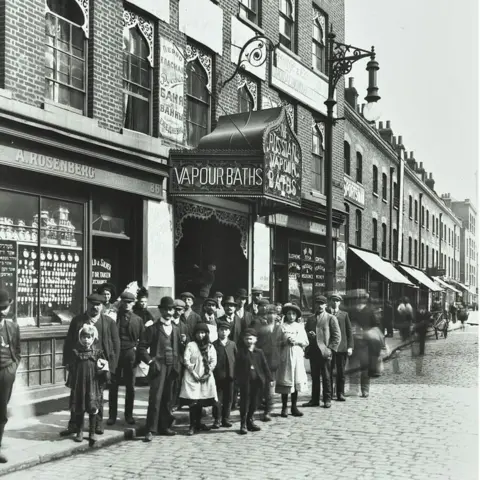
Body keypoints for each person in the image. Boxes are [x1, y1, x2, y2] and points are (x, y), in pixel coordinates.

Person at [61, 293, 120, 437]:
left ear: (102, 306)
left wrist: (111, 367)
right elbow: (69, 343)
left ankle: (97, 424)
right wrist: (68, 363)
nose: (95, 307)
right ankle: (74, 425)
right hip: (80, 364)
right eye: (92, 304)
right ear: (87, 305)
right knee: (77, 395)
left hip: (99, 366)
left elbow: (116, 345)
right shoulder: (77, 321)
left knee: (98, 395)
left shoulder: (108, 322)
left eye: (98, 305)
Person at [138, 296, 182, 441]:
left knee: (168, 398)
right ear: (161, 311)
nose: (169, 313)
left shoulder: (176, 329)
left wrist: (177, 364)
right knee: (155, 398)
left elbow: (179, 349)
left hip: (172, 367)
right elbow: (142, 348)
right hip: (158, 367)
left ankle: (165, 426)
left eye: (171, 310)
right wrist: (150, 362)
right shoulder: (153, 329)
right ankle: (151, 429)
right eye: (166, 310)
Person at [69, 324, 109, 447]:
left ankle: (92, 432)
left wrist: (102, 371)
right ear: (80, 338)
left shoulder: (97, 353)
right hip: (80, 384)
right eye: (84, 337)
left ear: (93, 339)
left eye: (89, 337)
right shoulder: (76, 353)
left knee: (92, 407)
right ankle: (80, 431)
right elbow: (72, 369)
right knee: (80, 408)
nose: (86, 340)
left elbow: (104, 368)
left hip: (93, 383)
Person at [108, 291, 144, 426]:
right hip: (115, 355)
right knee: (113, 386)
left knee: (130, 386)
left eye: (130, 302)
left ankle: (129, 415)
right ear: (121, 302)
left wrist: (138, 354)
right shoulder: (113, 318)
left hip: (130, 354)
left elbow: (143, 340)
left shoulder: (138, 320)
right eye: (125, 302)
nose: (127, 304)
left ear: (133, 303)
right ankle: (112, 416)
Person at [303, 295, 341, 409]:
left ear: (325, 305)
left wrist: (330, 349)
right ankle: (314, 400)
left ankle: (327, 399)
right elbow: (304, 334)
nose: (319, 305)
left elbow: (337, 336)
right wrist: (309, 336)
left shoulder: (330, 318)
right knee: (314, 377)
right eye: (317, 303)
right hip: (314, 351)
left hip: (325, 352)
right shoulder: (310, 319)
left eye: (322, 303)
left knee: (326, 376)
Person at [179, 323, 218, 436]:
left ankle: (198, 423)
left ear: (206, 334)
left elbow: (213, 361)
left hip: (206, 377)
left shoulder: (210, 347)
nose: (200, 335)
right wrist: (194, 373)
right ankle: (192, 425)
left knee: (201, 401)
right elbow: (186, 360)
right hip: (192, 376)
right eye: (198, 333)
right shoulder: (191, 345)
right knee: (193, 402)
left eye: (202, 333)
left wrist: (207, 373)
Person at [235, 329, 272, 435]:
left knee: (255, 402)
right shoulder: (241, 353)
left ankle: (250, 420)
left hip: (258, 382)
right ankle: (243, 423)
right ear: (243, 340)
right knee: (245, 403)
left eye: (251, 339)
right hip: (245, 382)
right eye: (246, 339)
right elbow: (237, 368)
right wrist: (237, 381)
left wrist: (270, 379)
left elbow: (265, 366)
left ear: (255, 340)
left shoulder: (259, 352)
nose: (249, 341)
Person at [275, 303, 309, 418]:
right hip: (285, 356)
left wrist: (297, 342)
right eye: (289, 313)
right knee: (286, 380)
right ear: (286, 315)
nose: (291, 316)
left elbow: (305, 342)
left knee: (295, 379)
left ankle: (294, 406)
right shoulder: (282, 327)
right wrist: (285, 342)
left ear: (296, 316)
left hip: (297, 356)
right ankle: (284, 407)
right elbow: (276, 343)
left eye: (293, 314)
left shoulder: (300, 327)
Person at [0, 289, 21, 463]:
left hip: (7, 372)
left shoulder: (12, 326)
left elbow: (18, 350)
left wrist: (13, 368)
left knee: (1, 411)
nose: (1, 311)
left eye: (4, 308)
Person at [255, 304, 281, 422]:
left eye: (273, 313)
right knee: (259, 385)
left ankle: (268, 411)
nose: (271, 316)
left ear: (277, 315)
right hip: (261, 360)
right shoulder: (260, 326)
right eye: (269, 313)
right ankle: (257, 408)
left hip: (273, 361)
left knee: (270, 387)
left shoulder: (279, 328)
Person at [211, 321, 237, 429]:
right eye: (221, 330)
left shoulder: (232, 344)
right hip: (217, 376)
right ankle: (217, 419)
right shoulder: (214, 345)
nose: (223, 332)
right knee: (217, 398)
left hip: (230, 376)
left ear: (229, 332)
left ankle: (226, 418)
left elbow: (237, 358)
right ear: (218, 331)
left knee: (229, 398)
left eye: (226, 330)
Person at [328, 294, 353, 401]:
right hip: (329, 347)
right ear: (330, 301)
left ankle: (340, 393)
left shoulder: (344, 315)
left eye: (337, 301)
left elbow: (349, 332)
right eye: (333, 300)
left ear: (340, 302)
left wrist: (350, 347)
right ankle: (328, 393)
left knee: (341, 372)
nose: (335, 302)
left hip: (342, 348)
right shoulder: (325, 314)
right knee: (328, 372)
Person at [171, 299, 190, 410]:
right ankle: (169, 402)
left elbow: (188, 344)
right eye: (176, 309)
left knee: (178, 381)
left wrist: (184, 341)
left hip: (179, 357)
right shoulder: (169, 323)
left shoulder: (184, 326)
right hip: (168, 356)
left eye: (180, 310)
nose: (177, 312)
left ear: (183, 311)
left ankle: (176, 403)